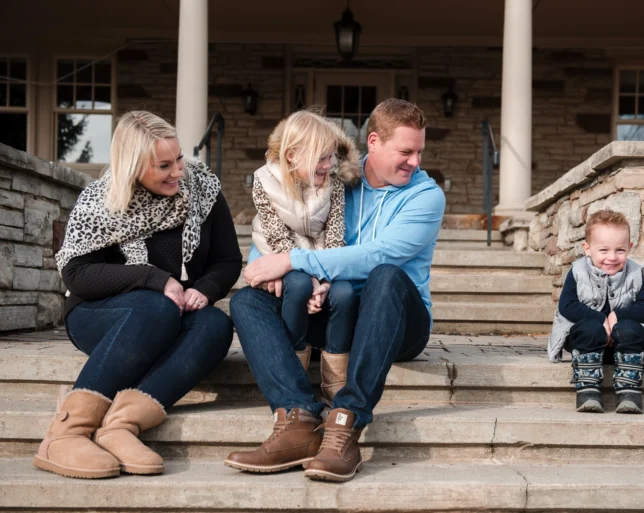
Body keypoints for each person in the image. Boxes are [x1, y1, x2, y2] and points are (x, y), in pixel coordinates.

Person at [224, 99, 445, 482]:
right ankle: (297, 418)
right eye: (406, 151)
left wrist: (295, 262)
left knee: (386, 274)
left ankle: (346, 422)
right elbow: (278, 220)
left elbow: (378, 255)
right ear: (373, 142)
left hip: (398, 320)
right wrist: (268, 262)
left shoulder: (426, 196)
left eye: (420, 151)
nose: (415, 161)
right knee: (246, 301)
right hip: (334, 307)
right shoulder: (332, 174)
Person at [34, 111, 241, 479]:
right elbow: (78, 275)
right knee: (156, 307)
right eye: (164, 165)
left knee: (215, 326)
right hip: (101, 313)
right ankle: (65, 433)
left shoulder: (203, 189)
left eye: (178, 158)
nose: (178, 171)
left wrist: (204, 291)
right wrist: (153, 279)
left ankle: (120, 426)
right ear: (133, 167)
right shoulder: (102, 201)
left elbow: (227, 260)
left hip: (175, 310)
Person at [250, 111, 361, 403]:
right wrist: (310, 278)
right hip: (283, 255)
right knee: (297, 285)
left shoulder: (333, 182)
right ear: (291, 155)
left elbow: (336, 231)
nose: (328, 165)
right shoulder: (264, 182)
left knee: (346, 292)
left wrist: (324, 278)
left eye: (331, 157)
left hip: (323, 258)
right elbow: (276, 236)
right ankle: (295, 373)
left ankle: (335, 380)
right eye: (320, 158)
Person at [548, 210, 644, 414]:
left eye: (620, 250)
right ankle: (588, 390)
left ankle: (629, 390)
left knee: (630, 329)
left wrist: (616, 316)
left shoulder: (635, 273)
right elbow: (567, 305)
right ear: (587, 249)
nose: (612, 257)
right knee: (588, 327)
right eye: (603, 250)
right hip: (586, 344)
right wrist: (601, 319)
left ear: (630, 248)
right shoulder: (578, 272)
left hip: (624, 346)